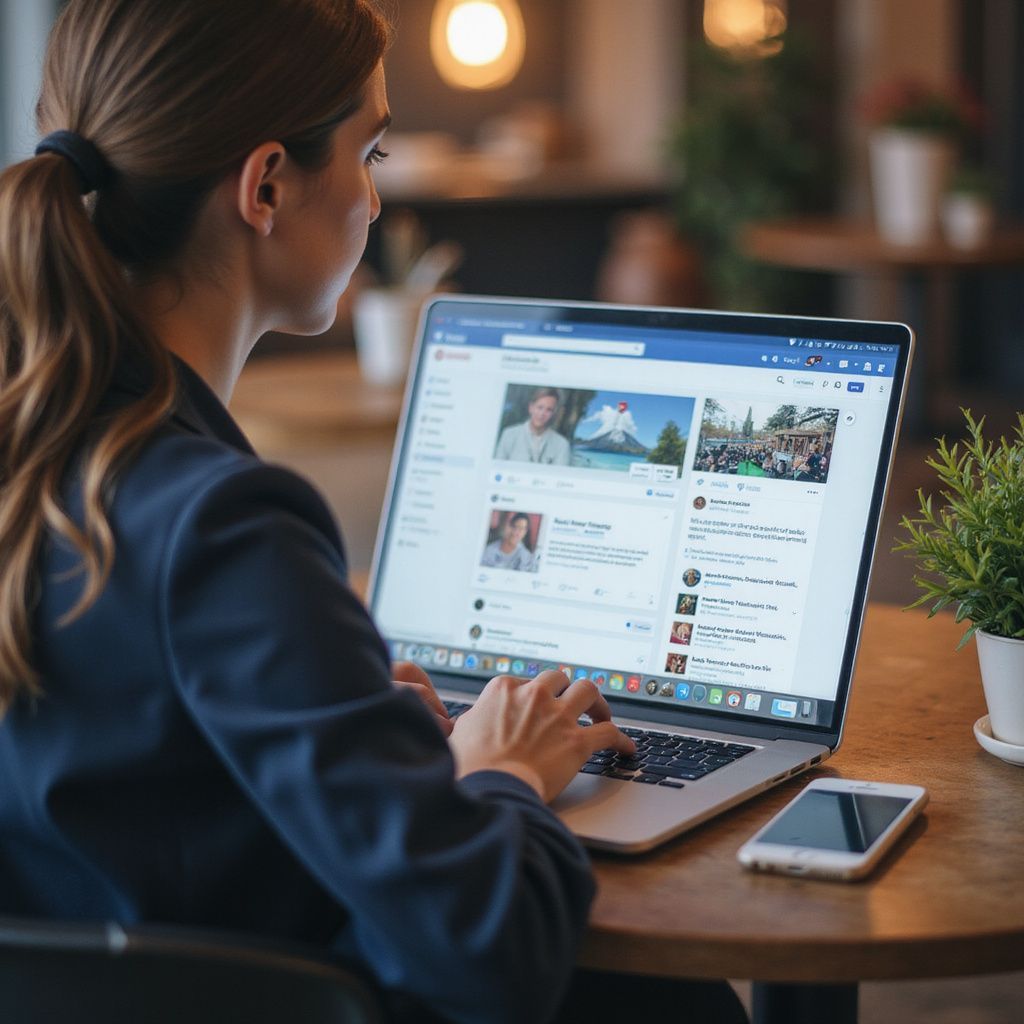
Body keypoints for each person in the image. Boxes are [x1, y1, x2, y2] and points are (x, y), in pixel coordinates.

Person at [0, 3, 747, 1022]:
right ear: (265, 186)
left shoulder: (42, 452)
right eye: (373, 150)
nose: (372, 199)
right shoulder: (223, 523)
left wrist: (356, 715)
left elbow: (135, 779)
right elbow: (489, 947)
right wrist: (504, 773)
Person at [494, 387, 572, 466]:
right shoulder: (509, 434)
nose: (542, 414)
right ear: (531, 408)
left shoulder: (562, 445)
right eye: (540, 407)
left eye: (549, 410)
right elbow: (496, 468)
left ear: (554, 414)